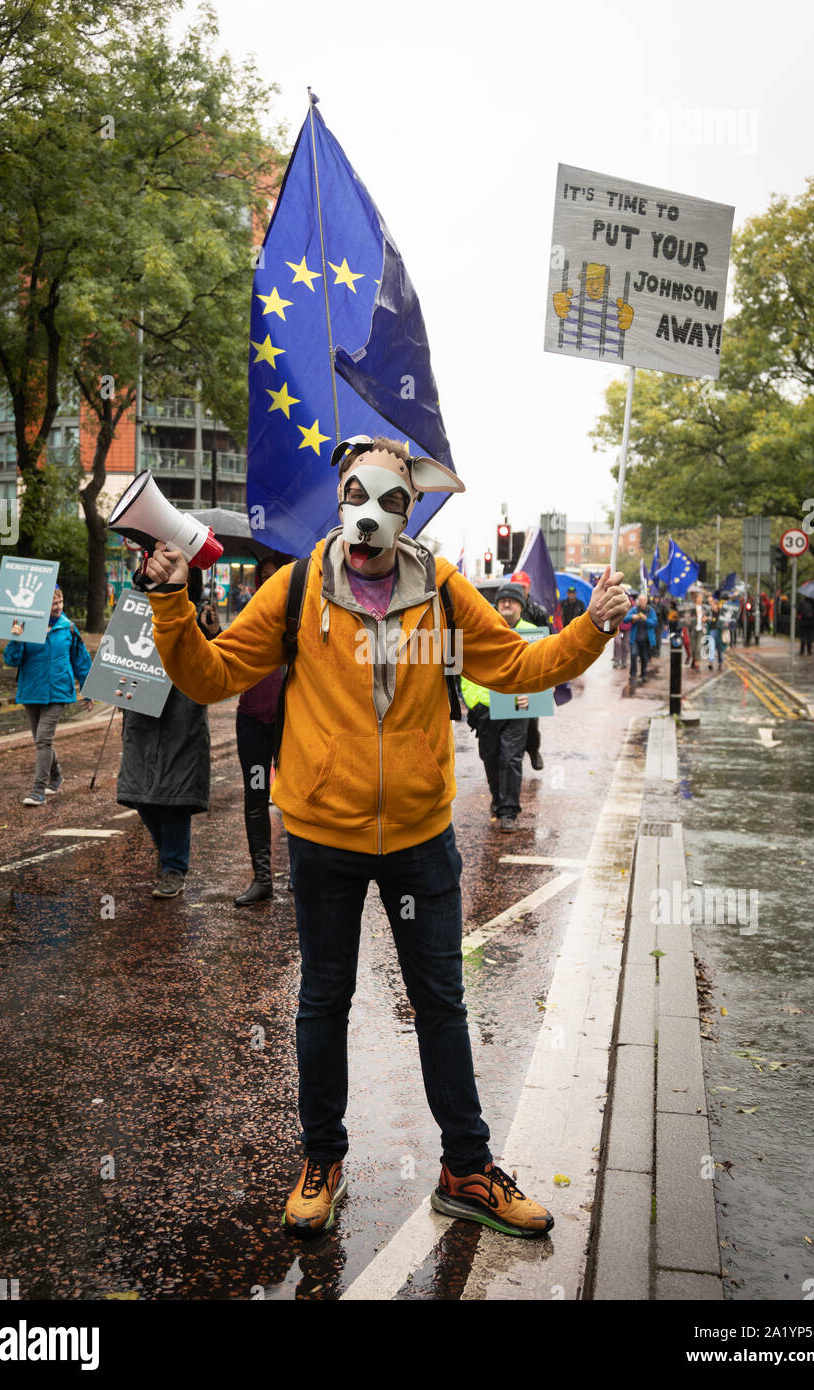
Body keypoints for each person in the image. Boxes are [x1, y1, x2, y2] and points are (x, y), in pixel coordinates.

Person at [141, 433, 630, 1241]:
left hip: (418, 837)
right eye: (356, 499)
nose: (369, 519)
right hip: (323, 836)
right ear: (339, 501)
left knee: (440, 1003)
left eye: (390, 502)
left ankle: (465, 1170)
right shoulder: (296, 588)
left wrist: (589, 629)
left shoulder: (439, 590)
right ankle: (322, 1160)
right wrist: (171, 602)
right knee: (323, 1001)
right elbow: (210, 675)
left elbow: (511, 666)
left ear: (412, 508)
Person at [116, 571, 217, 897]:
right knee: (140, 794)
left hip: (181, 718)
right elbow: (117, 655)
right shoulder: (136, 612)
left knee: (175, 797)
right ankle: (167, 851)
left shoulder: (196, 616)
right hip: (142, 715)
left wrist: (213, 632)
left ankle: (174, 868)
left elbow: (217, 665)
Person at [234, 553, 291, 905]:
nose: (268, 582)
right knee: (256, 796)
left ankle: (300, 875)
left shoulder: (302, 611)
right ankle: (262, 878)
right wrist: (211, 633)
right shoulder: (248, 615)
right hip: (252, 720)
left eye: (276, 575)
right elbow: (226, 654)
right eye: (264, 576)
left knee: (295, 797)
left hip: (293, 720)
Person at [3, 584, 93, 806]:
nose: (59, 607)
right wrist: (16, 638)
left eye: (61, 602)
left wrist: (88, 690)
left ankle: (38, 791)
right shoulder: (25, 626)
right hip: (31, 690)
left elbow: (81, 661)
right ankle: (56, 776)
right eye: (54, 603)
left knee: (44, 739)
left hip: (59, 691)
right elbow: (11, 660)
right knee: (40, 740)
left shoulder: (69, 628)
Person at [460, 585, 537, 831]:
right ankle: (497, 795)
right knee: (490, 757)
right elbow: (466, 672)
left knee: (511, 758)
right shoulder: (480, 631)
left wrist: (533, 698)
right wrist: (475, 703)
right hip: (486, 709)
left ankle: (509, 812)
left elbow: (544, 672)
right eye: (502, 600)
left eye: (511, 601)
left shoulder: (533, 634)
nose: (506, 604)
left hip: (517, 707)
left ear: (521, 606)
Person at [510, 570, 548, 771]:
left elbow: (548, 640)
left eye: (522, 587)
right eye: (515, 586)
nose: (518, 591)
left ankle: (533, 750)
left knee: (532, 721)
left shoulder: (538, 612)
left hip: (530, 671)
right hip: (509, 672)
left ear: (528, 588)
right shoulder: (503, 609)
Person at [625, 592, 657, 684]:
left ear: (646, 601)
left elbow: (654, 623)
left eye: (643, 600)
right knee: (633, 655)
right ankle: (633, 675)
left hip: (646, 639)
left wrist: (645, 619)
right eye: (640, 600)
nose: (641, 602)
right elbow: (625, 619)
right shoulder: (634, 610)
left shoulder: (650, 611)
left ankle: (643, 674)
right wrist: (632, 617)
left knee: (644, 657)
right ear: (638, 601)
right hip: (635, 638)